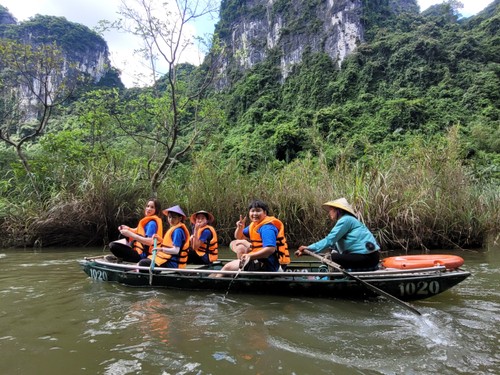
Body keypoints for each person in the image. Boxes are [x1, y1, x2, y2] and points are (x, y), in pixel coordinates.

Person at [295, 198, 380, 271]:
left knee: (332, 257)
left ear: (338, 211)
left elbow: (329, 240)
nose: (329, 212)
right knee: (333, 253)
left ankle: (334, 278)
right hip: (367, 257)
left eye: (331, 210)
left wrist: (309, 248)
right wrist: (306, 252)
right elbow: (333, 246)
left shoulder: (346, 220)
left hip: (368, 258)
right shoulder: (347, 220)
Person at [218, 200, 289, 275]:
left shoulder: (267, 228)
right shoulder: (254, 225)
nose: (255, 214)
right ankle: (241, 270)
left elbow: (270, 250)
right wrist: (240, 228)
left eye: (258, 211)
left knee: (227, 267)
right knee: (237, 244)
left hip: (267, 264)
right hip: (259, 260)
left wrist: (250, 256)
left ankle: (215, 283)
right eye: (252, 211)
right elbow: (238, 237)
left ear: (265, 213)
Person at [107, 198, 163, 263]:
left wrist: (130, 234)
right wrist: (127, 228)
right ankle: (121, 257)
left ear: (156, 210)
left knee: (113, 246)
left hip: (142, 255)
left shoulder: (152, 224)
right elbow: (137, 231)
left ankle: (121, 258)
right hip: (137, 250)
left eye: (152, 207)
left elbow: (150, 242)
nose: (149, 209)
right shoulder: (147, 221)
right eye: (147, 206)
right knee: (117, 243)